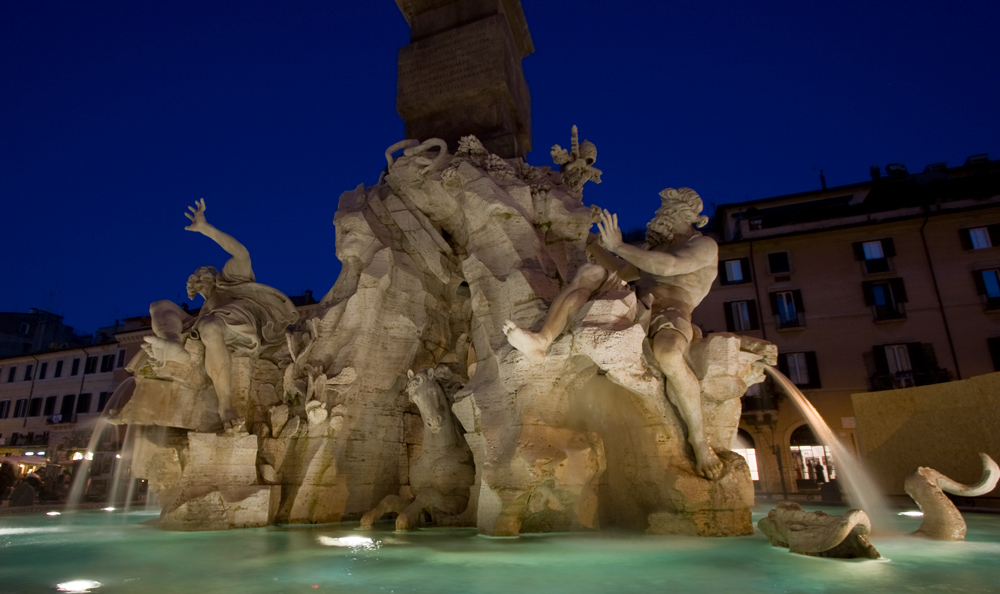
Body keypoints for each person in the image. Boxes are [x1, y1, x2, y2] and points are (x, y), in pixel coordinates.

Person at [503, 188, 724, 480]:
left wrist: (619, 245)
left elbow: (670, 267)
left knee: (669, 354)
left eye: (664, 209)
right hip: (635, 304)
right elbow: (623, 270)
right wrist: (593, 240)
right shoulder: (651, 248)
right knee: (591, 272)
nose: (657, 215)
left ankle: (698, 440)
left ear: (682, 214)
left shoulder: (703, 244)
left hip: (670, 313)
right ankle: (541, 341)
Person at [143, 199, 299, 432]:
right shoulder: (202, 310)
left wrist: (206, 229)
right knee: (160, 305)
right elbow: (178, 313)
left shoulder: (230, 281)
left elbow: (242, 254)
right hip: (202, 323)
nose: (197, 277)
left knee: (210, 325)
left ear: (215, 277)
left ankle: (225, 407)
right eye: (196, 276)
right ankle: (173, 344)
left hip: (237, 325)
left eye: (203, 274)